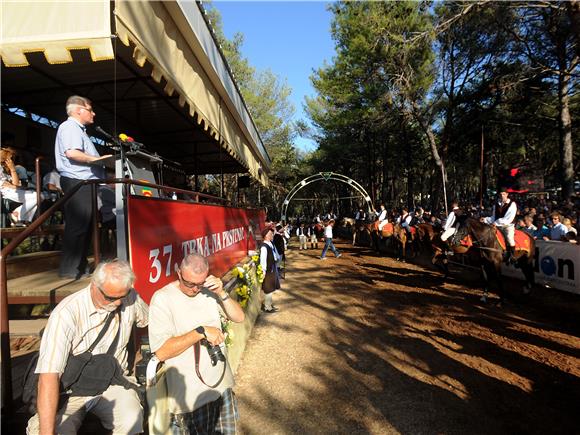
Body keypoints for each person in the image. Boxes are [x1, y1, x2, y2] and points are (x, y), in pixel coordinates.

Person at [27, 260, 149, 434]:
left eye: (122, 296)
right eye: (110, 297)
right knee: (58, 429)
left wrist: (139, 355)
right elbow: (49, 376)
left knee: (132, 418)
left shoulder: (128, 296)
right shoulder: (66, 314)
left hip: (113, 381)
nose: (117, 303)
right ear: (94, 286)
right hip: (71, 389)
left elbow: (149, 320)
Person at [149, 253, 245, 434]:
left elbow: (239, 317)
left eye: (199, 284)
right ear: (179, 273)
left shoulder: (208, 292)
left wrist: (222, 293)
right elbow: (161, 352)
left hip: (221, 385)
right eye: (189, 283)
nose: (194, 289)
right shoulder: (162, 299)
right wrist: (200, 332)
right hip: (189, 398)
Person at [55, 95, 112, 279]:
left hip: (86, 182)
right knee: (78, 225)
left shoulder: (79, 130)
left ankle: (79, 266)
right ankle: (69, 269)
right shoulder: (70, 127)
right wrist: (97, 160)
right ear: (79, 110)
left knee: (86, 225)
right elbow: (72, 153)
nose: (93, 113)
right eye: (90, 109)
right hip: (78, 181)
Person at [0, 147, 42, 226]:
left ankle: (19, 218)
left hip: (12, 190)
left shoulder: (7, 169)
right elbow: (6, 184)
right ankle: (18, 216)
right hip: (6, 192)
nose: (13, 161)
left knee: (40, 196)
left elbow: (15, 184)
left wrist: (12, 169)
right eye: (11, 158)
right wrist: (7, 185)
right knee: (38, 196)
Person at [483, 187, 517, 263]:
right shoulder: (496, 204)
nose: (502, 196)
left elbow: (509, 218)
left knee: (509, 238)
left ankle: (512, 256)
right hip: (497, 225)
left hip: (508, 225)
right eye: (501, 194)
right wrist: (485, 219)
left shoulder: (512, 204)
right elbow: (493, 217)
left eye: (504, 194)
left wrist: (496, 222)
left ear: (507, 194)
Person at [260, 225, 281, 312]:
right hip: (268, 270)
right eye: (270, 234)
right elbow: (263, 260)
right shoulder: (264, 247)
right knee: (268, 289)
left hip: (273, 268)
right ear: (266, 236)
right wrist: (263, 272)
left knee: (271, 288)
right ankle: (267, 307)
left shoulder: (270, 243)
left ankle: (270, 305)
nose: (272, 235)